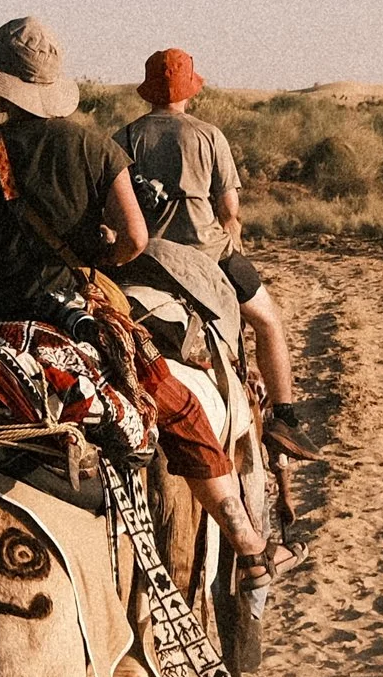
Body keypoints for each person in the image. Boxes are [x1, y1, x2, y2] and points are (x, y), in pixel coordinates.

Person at [0, 17, 268, 597]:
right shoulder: (93, 147)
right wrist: (96, 256)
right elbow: (134, 238)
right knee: (179, 409)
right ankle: (248, 543)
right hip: (73, 311)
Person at [116, 48, 319, 465]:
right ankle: (285, 418)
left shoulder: (124, 138)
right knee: (268, 321)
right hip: (205, 253)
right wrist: (235, 249)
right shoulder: (209, 135)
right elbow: (229, 212)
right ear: (189, 89)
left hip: (145, 257)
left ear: (149, 91)